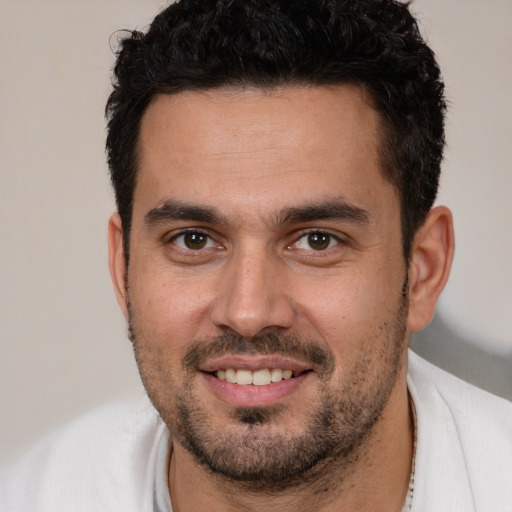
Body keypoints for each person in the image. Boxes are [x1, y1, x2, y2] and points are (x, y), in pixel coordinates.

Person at [1, 0, 511, 510]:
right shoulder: (33, 495)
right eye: (193, 240)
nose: (247, 313)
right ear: (123, 269)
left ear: (422, 270)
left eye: (317, 240)